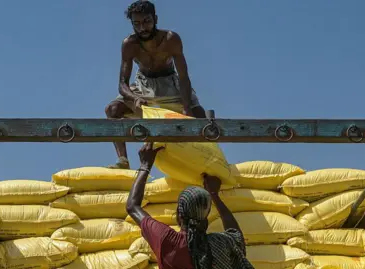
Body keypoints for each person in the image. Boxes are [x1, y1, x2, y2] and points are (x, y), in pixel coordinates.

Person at [105, 0, 207, 169]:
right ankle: (123, 161)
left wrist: (187, 107)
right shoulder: (129, 44)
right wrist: (134, 98)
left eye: (146, 22)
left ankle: (204, 163)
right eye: (136, 24)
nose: (142, 28)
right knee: (112, 110)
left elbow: (183, 77)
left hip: (170, 83)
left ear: (155, 19)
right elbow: (122, 84)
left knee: (200, 115)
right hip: (143, 84)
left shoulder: (171, 39)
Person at [126, 143, 255, 269]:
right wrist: (214, 195)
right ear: (206, 216)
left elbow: (132, 206)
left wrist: (145, 165)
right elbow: (236, 238)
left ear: (180, 214)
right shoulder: (220, 245)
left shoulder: (168, 241)